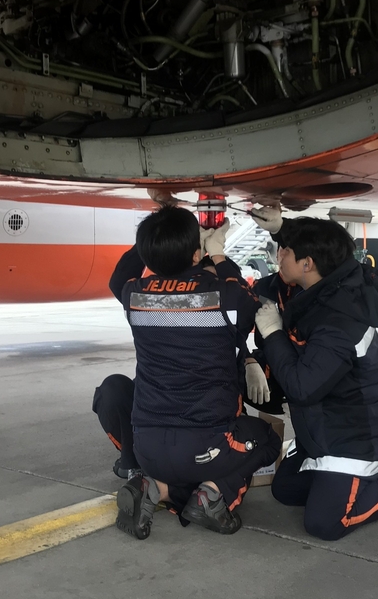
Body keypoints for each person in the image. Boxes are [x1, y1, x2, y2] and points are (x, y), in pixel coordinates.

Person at [104, 205, 282, 539]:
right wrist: (218, 254)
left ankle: (156, 487)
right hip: (206, 447)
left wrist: (156, 239)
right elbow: (244, 299)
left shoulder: (135, 296)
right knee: (268, 439)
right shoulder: (219, 295)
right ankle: (211, 494)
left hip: (147, 448)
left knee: (178, 459)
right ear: (196, 251)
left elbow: (118, 277)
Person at [249, 207, 378, 541]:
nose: (278, 255)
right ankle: (340, 474)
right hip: (324, 427)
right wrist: (282, 228)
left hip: (353, 437)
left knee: (325, 523)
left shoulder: (338, 319)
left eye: (284, 251)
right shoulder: (325, 287)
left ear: (308, 263)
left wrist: (273, 334)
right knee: (285, 491)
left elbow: (302, 387)